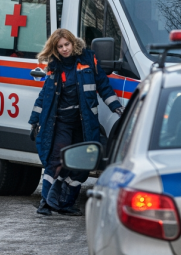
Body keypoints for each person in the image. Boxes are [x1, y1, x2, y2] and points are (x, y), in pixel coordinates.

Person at [28, 29, 123, 216]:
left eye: (67, 44)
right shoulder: (55, 66)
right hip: (62, 122)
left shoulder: (88, 59)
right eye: (60, 46)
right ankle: (45, 203)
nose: (64, 49)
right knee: (56, 161)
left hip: (84, 122)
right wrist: (34, 120)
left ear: (73, 43)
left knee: (83, 163)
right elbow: (45, 95)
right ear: (55, 49)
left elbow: (103, 85)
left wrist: (117, 108)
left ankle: (66, 203)